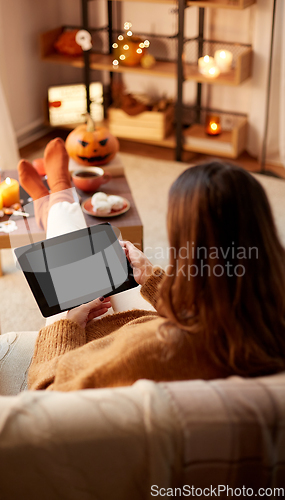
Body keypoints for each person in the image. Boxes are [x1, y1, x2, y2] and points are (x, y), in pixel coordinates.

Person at [14, 138, 285, 393]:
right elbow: (204, 318)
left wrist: (68, 325)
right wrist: (153, 279)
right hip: (164, 320)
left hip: (118, 332)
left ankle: (55, 198)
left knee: (67, 272)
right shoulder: (266, 314)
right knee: (108, 258)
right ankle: (54, 201)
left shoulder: (152, 352)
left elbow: (47, 395)